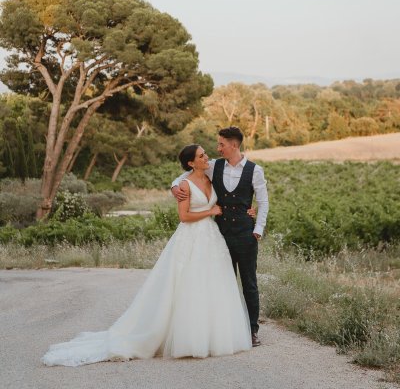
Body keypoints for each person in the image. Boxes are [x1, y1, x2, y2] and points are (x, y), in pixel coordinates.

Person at [42, 144, 252, 367]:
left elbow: (230, 196)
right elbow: (184, 216)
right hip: (191, 238)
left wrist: (249, 210)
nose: (206, 157)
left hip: (211, 239)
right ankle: (188, 338)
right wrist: (210, 211)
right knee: (189, 285)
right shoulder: (184, 185)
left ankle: (214, 335)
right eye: (201, 156)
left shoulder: (210, 177)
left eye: (205, 154)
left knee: (211, 284)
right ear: (191, 163)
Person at [172, 126, 269, 347]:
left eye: (221, 144)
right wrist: (173, 187)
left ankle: (252, 330)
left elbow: (263, 202)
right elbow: (184, 175)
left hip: (246, 234)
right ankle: (227, 329)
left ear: (234, 145)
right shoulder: (213, 166)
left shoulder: (255, 170)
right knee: (224, 282)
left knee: (249, 283)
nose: (218, 149)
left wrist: (258, 230)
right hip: (220, 235)